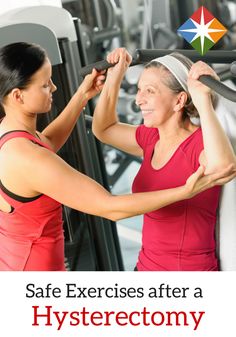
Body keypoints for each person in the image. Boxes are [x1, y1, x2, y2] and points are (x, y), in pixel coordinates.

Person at [0, 43, 234, 272]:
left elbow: (52, 141)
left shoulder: (10, 136)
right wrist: (185, 191)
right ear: (18, 96)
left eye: (149, 91)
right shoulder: (28, 156)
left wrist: (92, 89)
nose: (54, 88)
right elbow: (109, 206)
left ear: (180, 100)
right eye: (45, 85)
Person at [92, 48, 236, 271]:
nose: (139, 100)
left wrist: (202, 99)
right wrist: (115, 75)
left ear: (179, 100)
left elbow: (224, 167)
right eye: (139, 90)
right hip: (146, 268)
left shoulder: (199, 143)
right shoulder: (151, 137)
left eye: (149, 91)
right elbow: (104, 129)